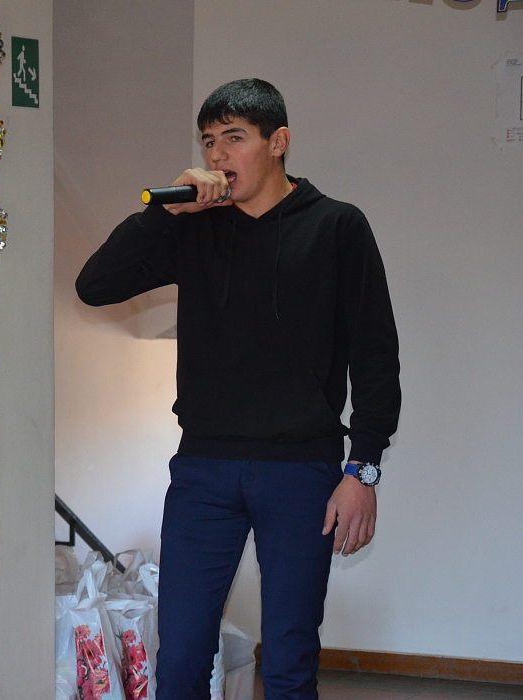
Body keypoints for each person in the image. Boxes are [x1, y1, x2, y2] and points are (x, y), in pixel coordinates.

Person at [76, 78, 401, 700]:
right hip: (204, 471)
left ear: (278, 142)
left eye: (234, 138)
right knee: (179, 660)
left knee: (287, 661)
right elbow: (95, 285)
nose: (218, 155)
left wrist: (363, 471)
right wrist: (162, 213)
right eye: (208, 141)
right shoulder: (193, 228)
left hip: (301, 472)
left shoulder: (337, 226)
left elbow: (376, 357)